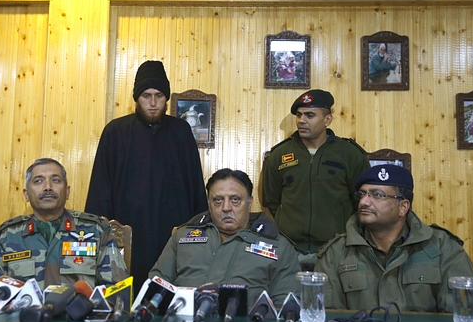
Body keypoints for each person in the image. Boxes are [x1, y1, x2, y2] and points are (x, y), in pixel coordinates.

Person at [85, 60, 208, 291]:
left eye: (159, 96)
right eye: (146, 95)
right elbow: (100, 189)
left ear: (167, 98)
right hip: (127, 237)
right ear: (136, 98)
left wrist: (199, 235)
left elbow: (195, 189)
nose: (153, 103)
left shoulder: (181, 132)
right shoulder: (116, 132)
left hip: (172, 237)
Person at [315, 164, 473, 312]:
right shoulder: (336, 253)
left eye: (377, 195)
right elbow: (330, 320)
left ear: (403, 207)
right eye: (362, 194)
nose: (364, 202)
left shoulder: (443, 247)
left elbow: (463, 314)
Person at [149, 169, 301, 308]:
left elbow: (286, 306)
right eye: (218, 201)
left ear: (249, 203)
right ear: (209, 204)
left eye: (235, 200)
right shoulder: (183, 236)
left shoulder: (278, 246)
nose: (226, 208)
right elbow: (156, 284)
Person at [262, 89, 370, 269]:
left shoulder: (350, 154)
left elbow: (361, 202)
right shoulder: (279, 155)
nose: (301, 120)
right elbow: (272, 201)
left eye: (310, 115)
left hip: (337, 251)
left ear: (327, 120)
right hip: (289, 251)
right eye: (299, 115)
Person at [0, 158, 128, 290]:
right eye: (38, 181)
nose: (48, 187)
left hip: (79, 317)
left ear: (67, 192)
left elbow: (118, 290)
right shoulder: (6, 236)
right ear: (26, 194)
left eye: (56, 180)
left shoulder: (97, 230)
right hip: (25, 317)